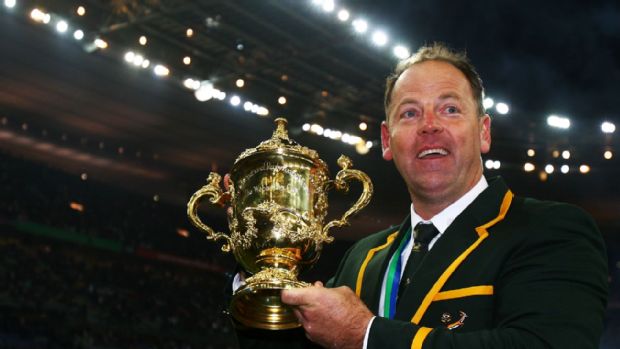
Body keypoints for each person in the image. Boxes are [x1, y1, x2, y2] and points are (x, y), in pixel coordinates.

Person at [235, 43, 608, 349]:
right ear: (387, 140)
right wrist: (259, 271)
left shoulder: (550, 230)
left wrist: (366, 335)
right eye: (410, 113)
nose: (429, 126)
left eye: (449, 109)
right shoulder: (363, 258)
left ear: (483, 132)